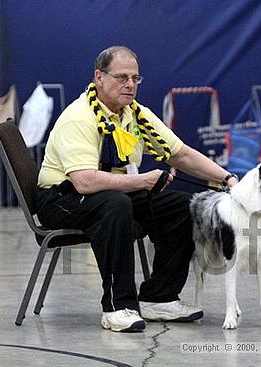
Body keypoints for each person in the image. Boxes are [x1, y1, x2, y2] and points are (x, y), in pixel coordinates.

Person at [36, 45, 238, 332]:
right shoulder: (79, 117)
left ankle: (160, 297)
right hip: (61, 199)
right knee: (116, 206)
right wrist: (142, 181)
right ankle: (118, 307)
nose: (130, 84)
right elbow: (84, 181)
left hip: (111, 194)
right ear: (99, 77)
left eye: (135, 78)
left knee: (183, 205)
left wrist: (227, 179)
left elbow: (180, 154)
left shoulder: (135, 114)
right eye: (121, 77)